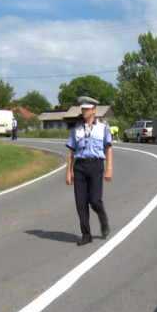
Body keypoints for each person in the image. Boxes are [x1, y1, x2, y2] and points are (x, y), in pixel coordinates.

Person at [65, 96, 113, 246]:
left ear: (94, 110)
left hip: (96, 165)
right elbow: (71, 152)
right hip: (80, 167)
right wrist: (68, 171)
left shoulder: (103, 127)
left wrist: (109, 168)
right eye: (83, 109)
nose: (84, 112)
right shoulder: (77, 129)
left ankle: (103, 220)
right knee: (81, 202)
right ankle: (86, 234)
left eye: (87, 109)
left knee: (94, 199)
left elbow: (108, 148)